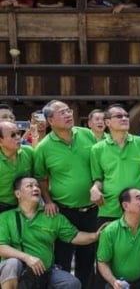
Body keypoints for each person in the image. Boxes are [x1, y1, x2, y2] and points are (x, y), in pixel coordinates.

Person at [33, 100, 98, 289]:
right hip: (63, 211)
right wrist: (48, 201)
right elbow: (40, 177)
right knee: (62, 258)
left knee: (87, 259)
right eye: (62, 112)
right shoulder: (44, 147)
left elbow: (98, 165)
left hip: (92, 209)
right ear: (50, 120)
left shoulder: (87, 134)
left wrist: (98, 186)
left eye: (69, 110)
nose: (68, 114)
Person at [0, 176, 105, 289]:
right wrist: (27, 258)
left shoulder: (51, 216)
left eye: (37, 186)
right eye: (30, 186)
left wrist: (95, 236)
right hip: (19, 272)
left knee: (71, 283)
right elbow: (1, 247)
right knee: (11, 264)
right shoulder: (6, 217)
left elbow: (74, 236)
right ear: (18, 194)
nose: (36, 188)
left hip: (45, 272)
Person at [90, 104, 140, 226]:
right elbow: (98, 179)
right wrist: (95, 189)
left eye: (126, 115)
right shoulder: (97, 149)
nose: (124, 118)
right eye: (119, 116)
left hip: (137, 208)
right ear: (107, 122)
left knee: (139, 244)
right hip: (109, 209)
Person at [0, 121, 34, 214]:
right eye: (13, 135)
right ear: (0, 141)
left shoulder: (28, 152)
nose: (18, 137)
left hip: (26, 205)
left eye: (18, 133)